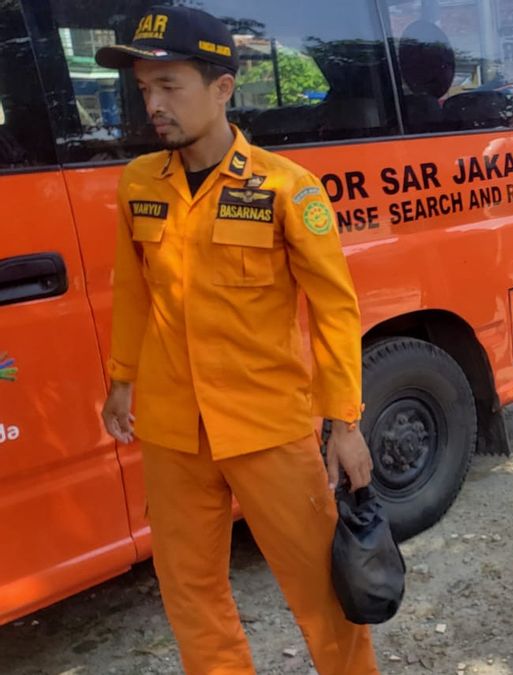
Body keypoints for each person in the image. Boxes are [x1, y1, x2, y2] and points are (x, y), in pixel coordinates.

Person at [95, 7, 379, 672]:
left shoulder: (286, 187)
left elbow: (335, 307)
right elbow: (134, 292)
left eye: (170, 86)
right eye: (144, 90)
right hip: (172, 428)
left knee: (320, 589)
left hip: (268, 426)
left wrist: (345, 421)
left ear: (222, 88)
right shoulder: (139, 183)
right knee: (190, 591)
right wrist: (120, 380)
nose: (153, 106)